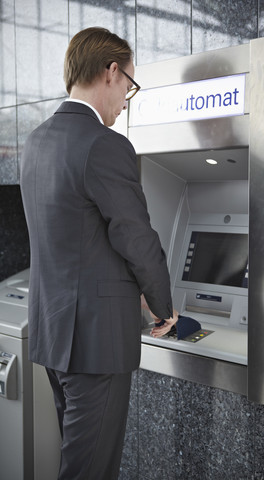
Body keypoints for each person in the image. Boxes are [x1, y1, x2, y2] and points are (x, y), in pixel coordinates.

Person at [20, 27, 178, 480]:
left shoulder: (36, 142)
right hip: (96, 343)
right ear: (111, 72)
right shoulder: (104, 144)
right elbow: (136, 236)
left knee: (76, 460)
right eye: (129, 83)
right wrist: (163, 305)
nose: (128, 96)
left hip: (54, 335)